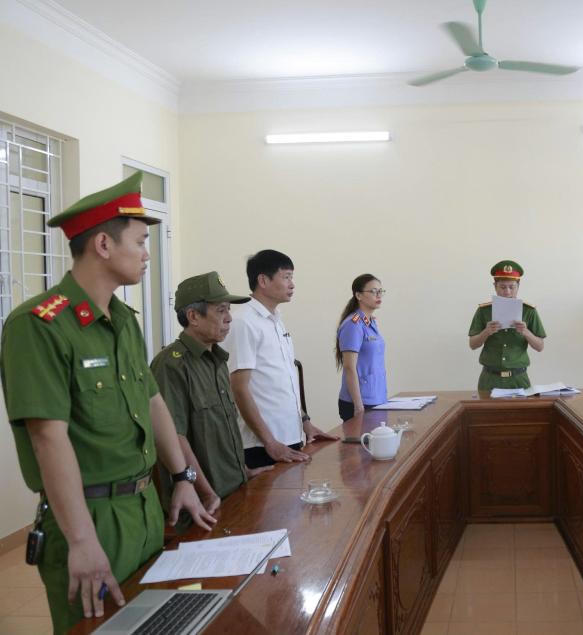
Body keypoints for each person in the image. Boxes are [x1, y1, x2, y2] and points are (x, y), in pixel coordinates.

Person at [0, 173, 214, 632]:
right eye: (139, 242)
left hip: (144, 506)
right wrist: (81, 540)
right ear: (102, 244)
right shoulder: (38, 325)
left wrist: (182, 477)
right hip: (89, 518)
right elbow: (47, 438)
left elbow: (153, 402)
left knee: (157, 623)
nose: (146, 254)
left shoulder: (122, 320)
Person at [150, 272, 260, 521]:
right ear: (193, 316)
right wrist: (207, 493)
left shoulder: (217, 361)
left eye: (229, 309)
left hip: (233, 491)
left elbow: (221, 428)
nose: (229, 318)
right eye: (221, 310)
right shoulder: (171, 365)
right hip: (201, 505)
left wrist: (243, 471)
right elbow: (174, 437)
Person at [222, 250, 336, 470]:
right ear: (263, 280)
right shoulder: (244, 322)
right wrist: (270, 442)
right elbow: (239, 388)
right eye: (286, 277)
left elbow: (283, 380)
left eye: (292, 277)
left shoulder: (275, 319)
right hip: (262, 445)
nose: (292, 284)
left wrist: (305, 422)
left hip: (289, 437)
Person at [468, 260, 546, 391]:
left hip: (518, 378)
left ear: (518, 286)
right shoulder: (483, 311)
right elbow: (473, 345)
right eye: (503, 287)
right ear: (495, 286)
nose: (507, 292)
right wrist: (486, 332)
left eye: (512, 287)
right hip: (489, 379)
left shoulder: (529, 311)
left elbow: (540, 347)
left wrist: (526, 332)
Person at [335, 274, 388, 437]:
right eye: (373, 291)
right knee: (360, 450)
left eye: (381, 291)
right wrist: (358, 406)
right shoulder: (354, 324)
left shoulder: (371, 322)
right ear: (358, 295)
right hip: (360, 402)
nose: (378, 295)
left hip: (376, 397)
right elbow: (349, 367)